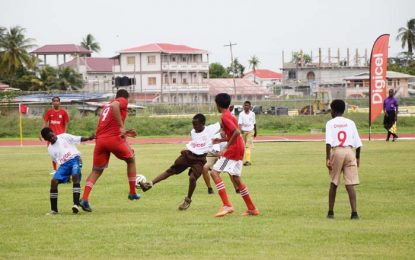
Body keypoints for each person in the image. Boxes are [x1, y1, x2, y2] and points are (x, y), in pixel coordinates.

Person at [139, 114, 220, 210]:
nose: (194, 127)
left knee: (192, 178)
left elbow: (223, 123)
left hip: (199, 160)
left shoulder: (210, 129)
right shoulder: (193, 131)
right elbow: (195, 144)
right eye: (193, 124)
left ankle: (188, 200)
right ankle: (149, 184)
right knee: (171, 170)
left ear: (203, 123)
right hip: (188, 155)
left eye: (196, 125)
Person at [80, 89, 140, 212]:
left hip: (100, 141)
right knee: (131, 160)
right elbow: (115, 106)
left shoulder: (106, 105)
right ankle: (132, 192)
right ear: (126, 98)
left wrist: (125, 131)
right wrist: (122, 127)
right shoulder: (120, 100)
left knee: (96, 171)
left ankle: (84, 199)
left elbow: (109, 125)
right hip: (113, 140)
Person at [210, 93, 259, 217]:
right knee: (236, 178)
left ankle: (227, 205)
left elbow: (236, 132)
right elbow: (234, 134)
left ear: (218, 104)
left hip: (234, 150)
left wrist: (225, 148)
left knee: (214, 173)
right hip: (240, 147)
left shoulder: (225, 116)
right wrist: (220, 141)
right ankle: (252, 208)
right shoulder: (230, 116)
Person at [41, 127, 95, 215]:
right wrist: (66, 175)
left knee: (75, 176)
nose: (52, 138)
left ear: (53, 132)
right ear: (46, 139)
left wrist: (89, 138)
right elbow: (57, 161)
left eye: (52, 135)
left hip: (75, 159)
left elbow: (78, 138)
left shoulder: (64, 136)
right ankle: (54, 210)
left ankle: (76, 204)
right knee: (54, 181)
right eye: (49, 138)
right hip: (64, 165)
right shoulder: (50, 149)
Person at [325, 99, 362, 220]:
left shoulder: (330, 123)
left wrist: (327, 158)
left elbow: (328, 143)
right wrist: (357, 157)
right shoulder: (350, 122)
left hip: (337, 151)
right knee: (350, 184)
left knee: (334, 182)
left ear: (334, 111)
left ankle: (331, 212)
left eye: (331, 110)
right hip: (350, 151)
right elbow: (358, 143)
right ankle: (354, 213)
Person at [41, 96, 70, 174]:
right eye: (54, 101)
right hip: (50, 137)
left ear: (59, 102)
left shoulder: (63, 112)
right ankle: (54, 169)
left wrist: (65, 134)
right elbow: (45, 122)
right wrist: (42, 133)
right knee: (53, 153)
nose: (56, 102)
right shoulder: (49, 112)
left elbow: (66, 123)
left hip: (60, 137)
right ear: (52, 102)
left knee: (63, 153)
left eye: (57, 101)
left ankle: (64, 168)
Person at [238, 100, 257, 166]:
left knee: (247, 146)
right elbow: (240, 124)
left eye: (247, 105)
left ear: (250, 106)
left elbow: (254, 123)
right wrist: (240, 131)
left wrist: (255, 131)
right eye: (244, 105)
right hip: (243, 131)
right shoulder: (241, 114)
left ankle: (248, 161)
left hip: (250, 131)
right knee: (242, 146)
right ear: (243, 106)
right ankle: (239, 160)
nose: (246, 106)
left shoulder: (252, 114)